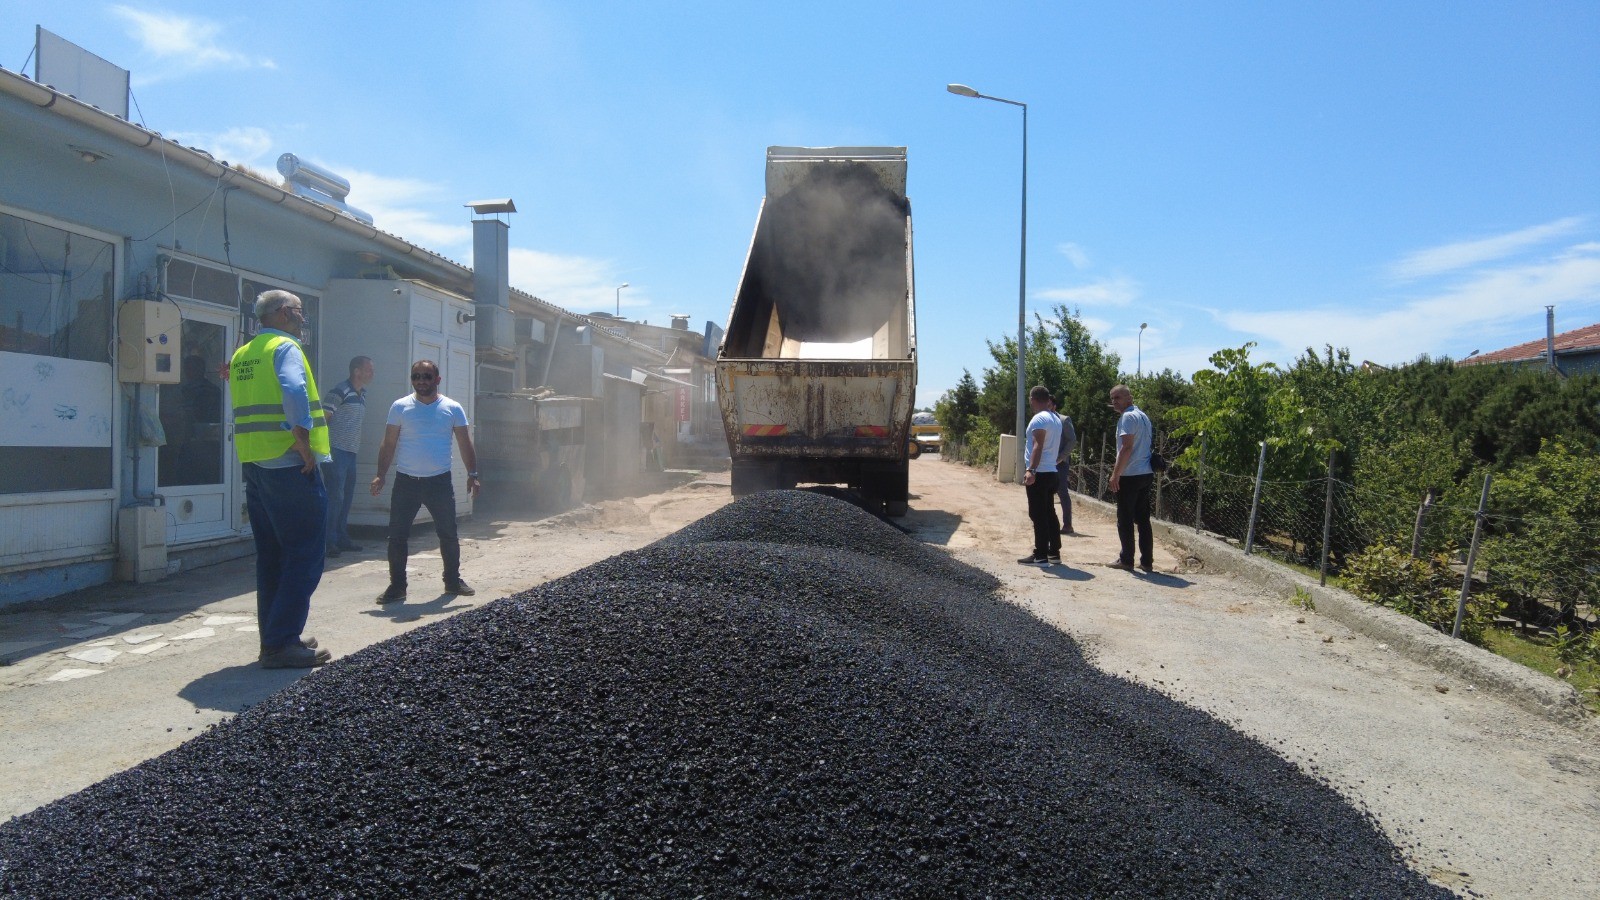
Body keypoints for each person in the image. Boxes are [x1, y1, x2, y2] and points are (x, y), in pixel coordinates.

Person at [229, 290, 332, 668]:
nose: (303, 319)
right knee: (305, 554)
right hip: (289, 465)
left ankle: (275, 637)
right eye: (301, 313)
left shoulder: (244, 353)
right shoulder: (284, 348)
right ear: (286, 313)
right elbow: (293, 390)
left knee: (272, 556)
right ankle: (281, 642)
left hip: (256, 464)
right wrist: (303, 442)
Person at [370, 360, 482, 603]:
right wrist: (381, 473)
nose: (421, 381)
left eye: (426, 376)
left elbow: (465, 443)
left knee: (448, 534)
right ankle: (397, 587)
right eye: (416, 376)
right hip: (406, 482)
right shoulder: (400, 407)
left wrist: (473, 475)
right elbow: (388, 443)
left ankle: (452, 582)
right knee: (397, 536)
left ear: (437, 380)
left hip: (439, 483)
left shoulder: (452, 408)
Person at [322, 355, 374, 558]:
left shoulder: (362, 394)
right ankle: (328, 542)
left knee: (346, 497)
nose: (372, 374)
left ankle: (341, 538)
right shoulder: (339, 391)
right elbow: (323, 419)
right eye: (369, 369)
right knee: (335, 497)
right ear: (356, 371)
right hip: (336, 451)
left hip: (351, 452)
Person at [1107, 383, 1154, 572]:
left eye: (1117, 397)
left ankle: (1126, 559)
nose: (1114, 402)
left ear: (1129, 398)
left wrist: (1115, 474)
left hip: (1130, 474)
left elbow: (1126, 447)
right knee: (1143, 520)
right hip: (1146, 472)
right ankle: (1147, 561)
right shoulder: (1143, 416)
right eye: (1112, 398)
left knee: (1125, 518)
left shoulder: (1127, 417)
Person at [1018, 385, 1063, 566]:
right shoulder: (1055, 418)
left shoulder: (1039, 419)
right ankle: (1054, 552)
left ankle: (1040, 555)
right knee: (1049, 513)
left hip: (1040, 473)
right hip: (1051, 471)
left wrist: (1031, 470)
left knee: (1038, 515)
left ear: (1033, 399)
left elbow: (1038, 445)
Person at [1049, 396, 1078, 535]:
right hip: (1045, 463)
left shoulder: (1063, 420)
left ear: (1054, 406)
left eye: (1048, 404)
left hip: (1060, 464)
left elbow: (1072, 440)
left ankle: (1067, 525)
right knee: (1045, 493)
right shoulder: (1042, 421)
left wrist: (1061, 458)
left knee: (1062, 493)